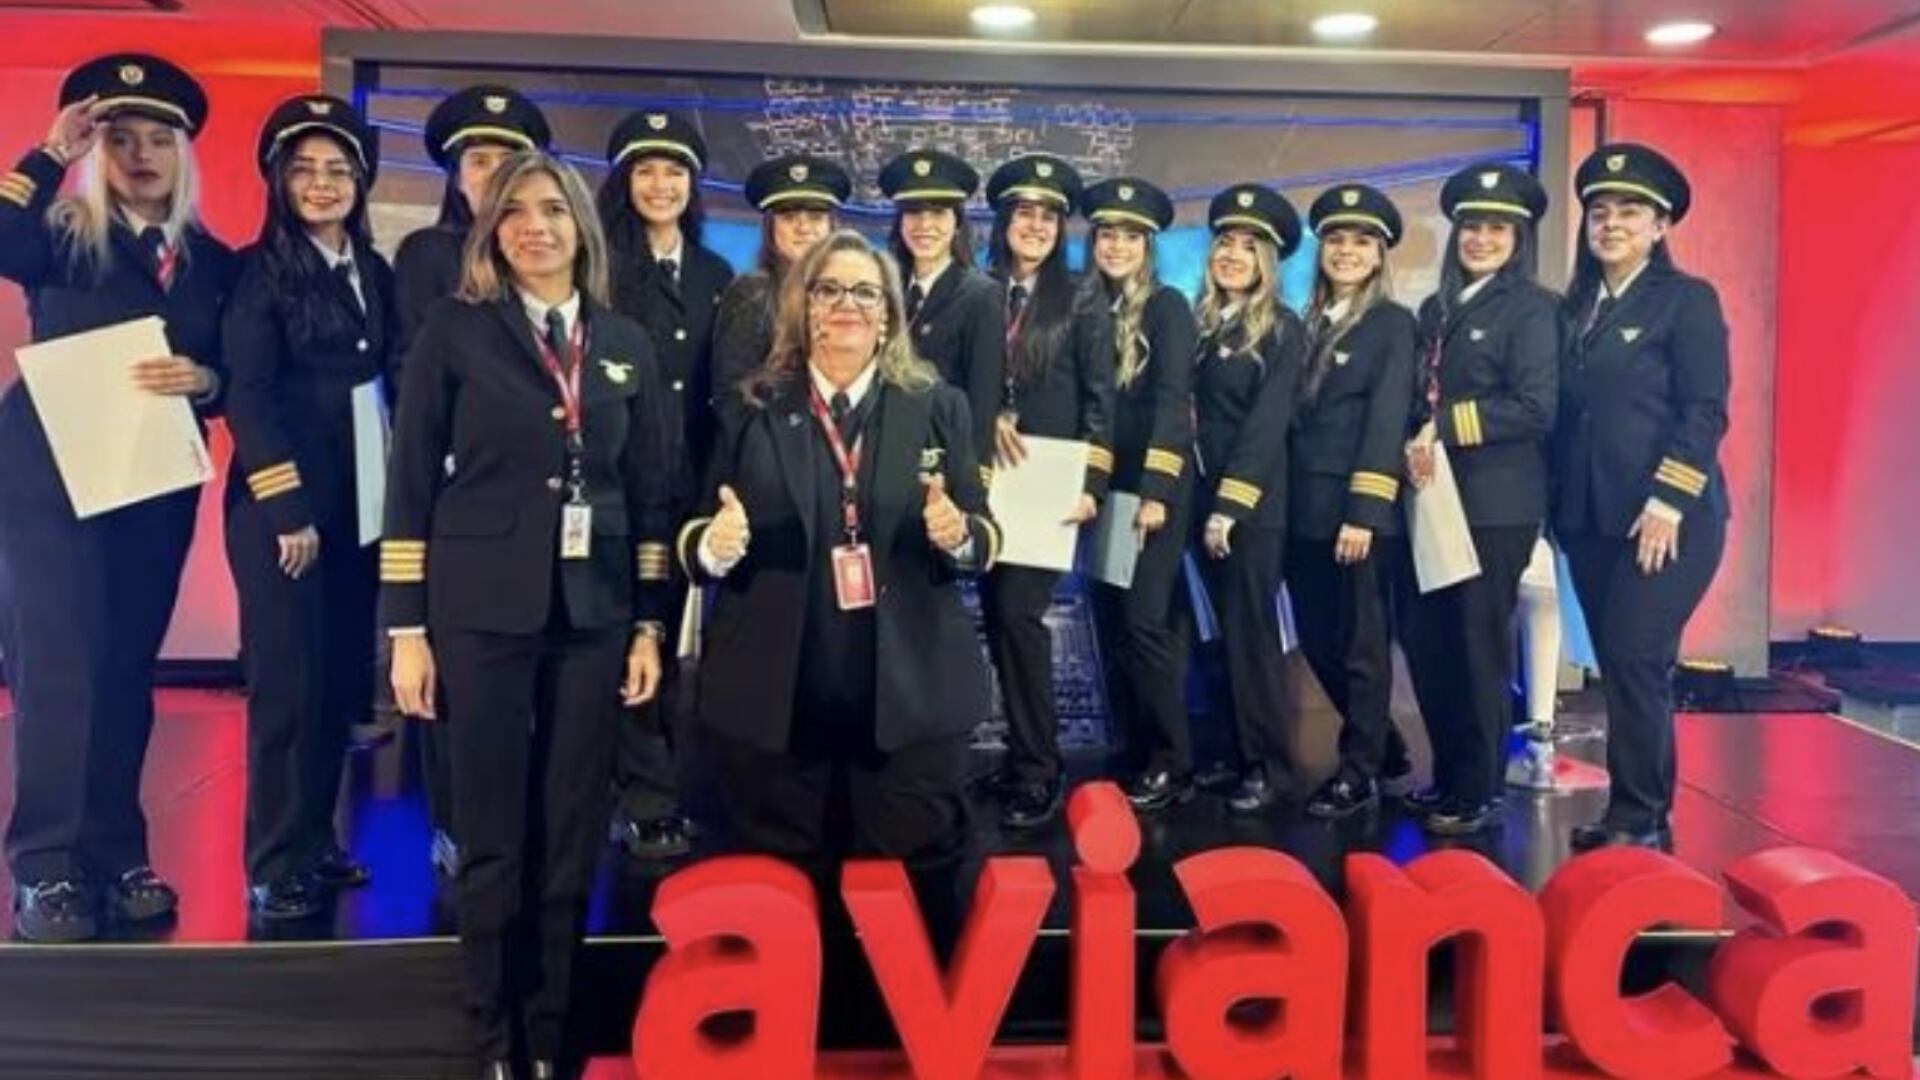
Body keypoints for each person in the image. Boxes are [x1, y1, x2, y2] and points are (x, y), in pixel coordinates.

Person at [382, 151, 673, 1080]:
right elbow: (409, 481)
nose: (534, 227)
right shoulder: (455, 330)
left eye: (552, 209)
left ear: (581, 227)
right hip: (480, 613)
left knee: (571, 834)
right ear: (491, 232)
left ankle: (548, 1037)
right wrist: (407, 631)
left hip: (595, 617)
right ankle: (493, 1037)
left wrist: (649, 624)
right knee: (492, 834)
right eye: (514, 212)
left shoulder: (625, 341)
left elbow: (650, 496)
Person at [678, 228, 998, 950]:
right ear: (804, 307)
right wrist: (714, 546)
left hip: (907, 692)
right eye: (828, 289)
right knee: (786, 899)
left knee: (914, 900)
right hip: (779, 694)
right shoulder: (750, 408)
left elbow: (984, 536)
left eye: (864, 291)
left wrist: (958, 534)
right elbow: (694, 536)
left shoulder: (938, 405)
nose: (846, 304)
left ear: (888, 313)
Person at [0, 53, 235, 944]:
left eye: (159, 139)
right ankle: (47, 867)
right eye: (120, 139)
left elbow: (236, 367)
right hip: (51, 478)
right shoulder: (61, 233)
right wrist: (46, 154)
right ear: (96, 152)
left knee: (125, 669)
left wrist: (207, 379)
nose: (141, 155)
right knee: (60, 670)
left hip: (150, 477)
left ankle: (114, 850)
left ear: (185, 153)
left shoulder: (212, 262)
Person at [222, 94, 393, 920]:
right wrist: (287, 508)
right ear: (279, 182)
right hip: (283, 514)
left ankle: (315, 841)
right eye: (304, 170)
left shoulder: (374, 271)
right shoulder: (259, 273)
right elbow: (248, 396)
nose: (322, 184)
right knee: (288, 691)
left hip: (358, 505)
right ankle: (273, 860)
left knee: (334, 686)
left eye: (338, 170)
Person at [390, 84, 553, 878]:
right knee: (455, 681)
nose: (493, 174)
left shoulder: (550, 264)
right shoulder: (430, 255)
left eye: (508, 160)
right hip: (462, 493)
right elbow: (409, 369)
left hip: (539, 503)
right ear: (456, 176)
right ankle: (456, 823)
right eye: (479, 160)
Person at [1556, 143, 1729, 852]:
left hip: (1666, 520)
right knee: (1622, 664)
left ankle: (1641, 816)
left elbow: (1705, 410)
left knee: (1635, 658)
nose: (1612, 223)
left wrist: (1667, 501)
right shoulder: (1574, 308)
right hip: (1589, 520)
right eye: (1600, 212)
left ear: (1660, 226)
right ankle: (1633, 810)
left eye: (1630, 211)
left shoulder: (1686, 301)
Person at [1395, 163, 1559, 835]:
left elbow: (1535, 407)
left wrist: (1443, 426)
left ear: (1518, 239)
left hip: (1497, 503)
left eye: (1497, 228)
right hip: (1434, 498)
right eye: (1471, 226)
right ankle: (1449, 775)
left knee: (1476, 644)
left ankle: (1481, 788)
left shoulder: (1534, 309)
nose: (1481, 239)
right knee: (1429, 642)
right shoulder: (1436, 311)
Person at [596, 109, 733, 861]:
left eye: (674, 171)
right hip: (613, 484)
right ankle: (640, 797)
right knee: (620, 634)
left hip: (688, 485)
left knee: (666, 630)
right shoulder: (600, 266)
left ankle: (656, 785)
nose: (660, 185)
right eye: (645, 171)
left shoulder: (714, 274)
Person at [975, 153, 1115, 830]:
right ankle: (1020, 755)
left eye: (1049, 217)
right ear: (1004, 220)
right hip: (984, 476)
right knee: (998, 615)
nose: (1035, 226)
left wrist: (1093, 482)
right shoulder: (979, 289)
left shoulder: (1082, 296)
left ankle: (1040, 767)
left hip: (1047, 475)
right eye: (1024, 213)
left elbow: (1100, 396)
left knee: (1021, 616)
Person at [1289, 184, 1418, 822]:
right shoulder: (1306, 321)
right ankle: (1383, 744)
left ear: (1379, 254)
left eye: (1361, 241)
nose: (1346, 251)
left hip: (1356, 511)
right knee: (1317, 639)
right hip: (1302, 508)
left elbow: (1387, 417)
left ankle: (1359, 770)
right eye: (1336, 240)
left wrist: (1364, 511)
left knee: (1364, 646)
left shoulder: (1391, 323)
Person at [1078, 177, 1199, 811]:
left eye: (1130, 236)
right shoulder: (1087, 306)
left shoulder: (1167, 307)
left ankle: (1174, 760)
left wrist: (1156, 491)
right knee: (1112, 621)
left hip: (1154, 488)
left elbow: (1174, 403)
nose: (1116, 246)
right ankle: (1134, 747)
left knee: (1145, 622)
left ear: (1148, 245)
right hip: (1106, 488)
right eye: (1107, 234)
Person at [1191, 183, 1307, 814]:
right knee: (1216, 636)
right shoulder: (1203, 323)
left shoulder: (1281, 330)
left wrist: (1229, 507)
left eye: (1247, 246)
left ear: (1267, 261)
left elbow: (1265, 427)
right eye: (1224, 243)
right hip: (1200, 498)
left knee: (1251, 635)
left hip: (1250, 507)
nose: (1232, 255)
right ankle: (1233, 753)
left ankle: (1269, 765)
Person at [877, 148, 1004, 462]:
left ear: (957, 223)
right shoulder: (881, 288)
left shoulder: (981, 296)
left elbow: (982, 402)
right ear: (900, 221)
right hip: (878, 451)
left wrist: (972, 478)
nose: (925, 224)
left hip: (939, 459)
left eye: (938, 213)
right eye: (913, 212)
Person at [709, 154, 850, 402]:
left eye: (815, 217)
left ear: (831, 226)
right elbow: (730, 393)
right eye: (789, 217)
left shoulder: (852, 292)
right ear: (770, 228)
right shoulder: (751, 294)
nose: (803, 228)